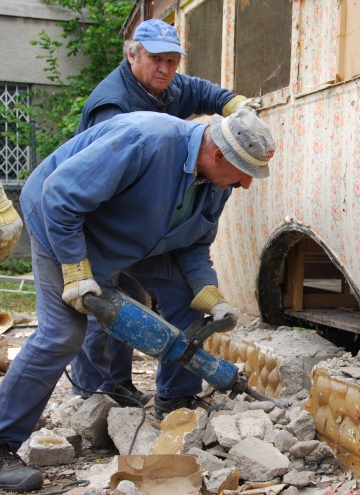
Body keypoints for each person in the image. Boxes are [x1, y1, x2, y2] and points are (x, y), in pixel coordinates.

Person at [0, 108, 275, 492]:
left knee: (186, 300)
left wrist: (210, 295)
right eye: (245, 173)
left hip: (135, 237)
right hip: (60, 222)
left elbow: (195, 245)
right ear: (217, 155)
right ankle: (3, 440)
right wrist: (76, 270)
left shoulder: (217, 184)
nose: (246, 184)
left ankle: (176, 399)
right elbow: (59, 197)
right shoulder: (144, 140)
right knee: (63, 332)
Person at [72, 18, 261, 407]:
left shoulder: (169, 85)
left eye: (173, 61)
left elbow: (202, 91)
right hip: (108, 220)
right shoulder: (112, 107)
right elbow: (101, 185)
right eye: (157, 59)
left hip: (157, 215)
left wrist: (237, 106)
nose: (166, 69)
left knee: (175, 295)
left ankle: (176, 396)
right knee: (108, 301)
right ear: (132, 55)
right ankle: (97, 393)